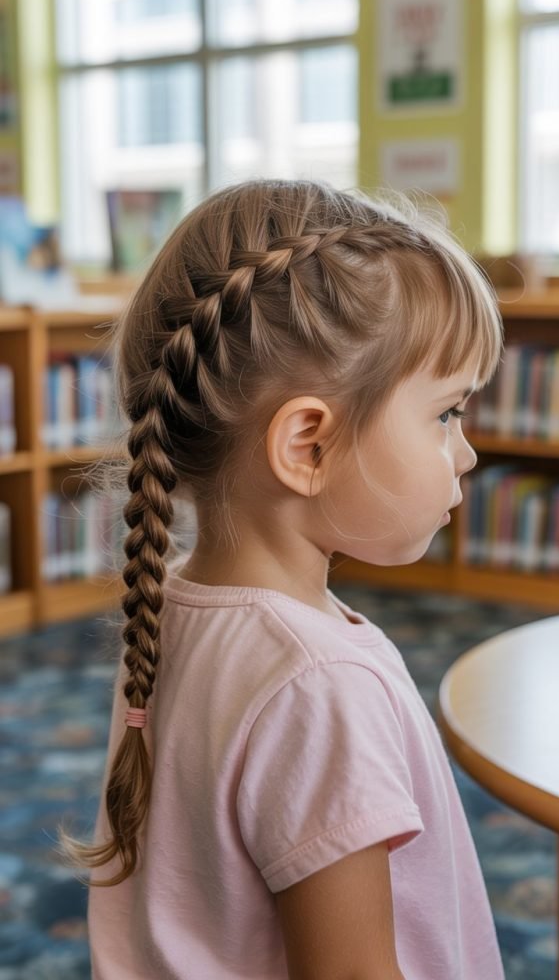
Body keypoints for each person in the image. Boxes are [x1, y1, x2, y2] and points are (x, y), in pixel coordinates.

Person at [62, 180, 505, 979]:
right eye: (446, 414)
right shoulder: (319, 683)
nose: (466, 452)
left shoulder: (173, 611)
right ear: (307, 446)